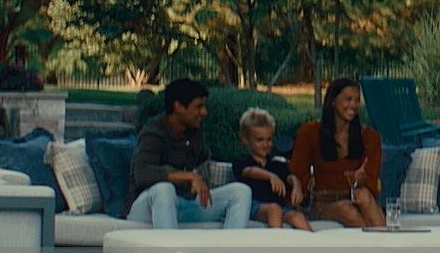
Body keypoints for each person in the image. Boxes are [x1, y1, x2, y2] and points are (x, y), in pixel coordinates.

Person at [128, 78, 251, 228]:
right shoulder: (153, 132)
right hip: (148, 207)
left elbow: (203, 161)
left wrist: (201, 179)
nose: (204, 112)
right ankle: (168, 251)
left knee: (240, 192)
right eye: (198, 107)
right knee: (164, 189)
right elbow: (143, 173)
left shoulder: (194, 131)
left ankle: (229, 250)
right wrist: (189, 176)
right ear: (178, 106)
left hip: (184, 203)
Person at [288, 78, 384, 228]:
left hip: (355, 196)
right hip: (324, 202)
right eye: (348, 99)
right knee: (347, 210)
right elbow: (296, 171)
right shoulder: (310, 132)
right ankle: (372, 247)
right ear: (333, 100)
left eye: (357, 100)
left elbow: (371, 183)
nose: (353, 105)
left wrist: (359, 179)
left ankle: (385, 244)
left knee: (364, 195)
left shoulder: (369, 137)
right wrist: (297, 188)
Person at [231, 107, 312, 231]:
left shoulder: (275, 163)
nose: (265, 144)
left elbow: (290, 176)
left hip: (280, 207)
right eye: (260, 140)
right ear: (245, 139)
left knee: (297, 216)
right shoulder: (241, 161)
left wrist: (297, 186)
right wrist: (270, 176)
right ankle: (277, 248)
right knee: (273, 209)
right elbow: (250, 171)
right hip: (254, 206)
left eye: (269, 139)